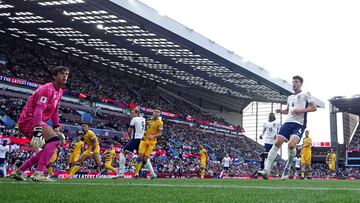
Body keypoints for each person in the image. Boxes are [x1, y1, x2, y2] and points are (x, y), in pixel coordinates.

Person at [12, 66, 69, 182]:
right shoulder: (46, 89)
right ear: (54, 76)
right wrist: (38, 129)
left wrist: (56, 128)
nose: (65, 76)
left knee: (47, 149)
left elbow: (54, 111)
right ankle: (38, 173)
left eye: (67, 74)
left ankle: (19, 172)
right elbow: (38, 110)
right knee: (54, 141)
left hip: (35, 121)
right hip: (30, 120)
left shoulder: (60, 91)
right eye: (62, 74)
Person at [258, 75, 317, 180]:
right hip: (288, 122)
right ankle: (266, 171)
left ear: (301, 84)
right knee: (277, 142)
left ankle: (288, 167)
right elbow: (287, 111)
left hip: (299, 124)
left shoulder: (305, 94)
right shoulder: (289, 97)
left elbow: (314, 107)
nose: (294, 83)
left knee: (291, 145)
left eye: (296, 82)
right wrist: (281, 111)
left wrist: (300, 110)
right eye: (293, 82)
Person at [114, 108, 157, 179]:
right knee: (144, 157)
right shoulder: (143, 119)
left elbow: (129, 130)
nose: (131, 114)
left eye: (132, 113)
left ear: (136, 112)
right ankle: (152, 173)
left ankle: (121, 173)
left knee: (122, 153)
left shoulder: (134, 119)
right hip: (142, 139)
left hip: (136, 139)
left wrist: (130, 137)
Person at [134, 108, 163, 178]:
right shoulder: (147, 120)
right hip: (144, 140)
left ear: (159, 114)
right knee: (140, 155)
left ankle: (139, 170)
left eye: (158, 112)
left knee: (145, 159)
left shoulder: (160, 122)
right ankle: (136, 173)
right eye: (155, 111)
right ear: (153, 113)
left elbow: (160, 133)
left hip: (152, 142)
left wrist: (153, 135)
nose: (156, 113)